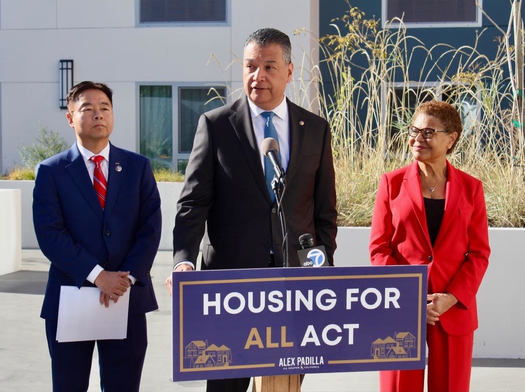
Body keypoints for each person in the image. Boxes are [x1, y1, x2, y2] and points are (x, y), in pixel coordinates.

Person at [168, 28, 337, 392]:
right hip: (232, 287)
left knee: (285, 386)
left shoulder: (315, 129)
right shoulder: (216, 125)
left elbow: (324, 210)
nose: (257, 76)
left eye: (269, 67)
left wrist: (322, 269)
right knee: (226, 386)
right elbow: (193, 202)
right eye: (250, 66)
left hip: (295, 287)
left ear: (289, 71)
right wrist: (183, 258)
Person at [33, 81, 162, 391]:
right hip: (71, 296)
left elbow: (150, 227)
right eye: (87, 109)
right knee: (69, 384)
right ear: (70, 117)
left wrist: (124, 278)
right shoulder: (51, 171)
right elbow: (50, 234)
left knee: (123, 385)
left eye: (104, 108)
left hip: (126, 297)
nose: (98, 115)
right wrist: (97, 275)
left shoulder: (137, 167)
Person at [369, 100, 490, 392]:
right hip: (401, 307)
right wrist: (411, 297)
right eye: (414, 130)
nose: (417, 138)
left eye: (428, 132)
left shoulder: (471, 188)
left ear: (451, 138)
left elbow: (479, 253)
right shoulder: (391, 183)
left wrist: (450, 297)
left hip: (452, 309)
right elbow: (379, 250)